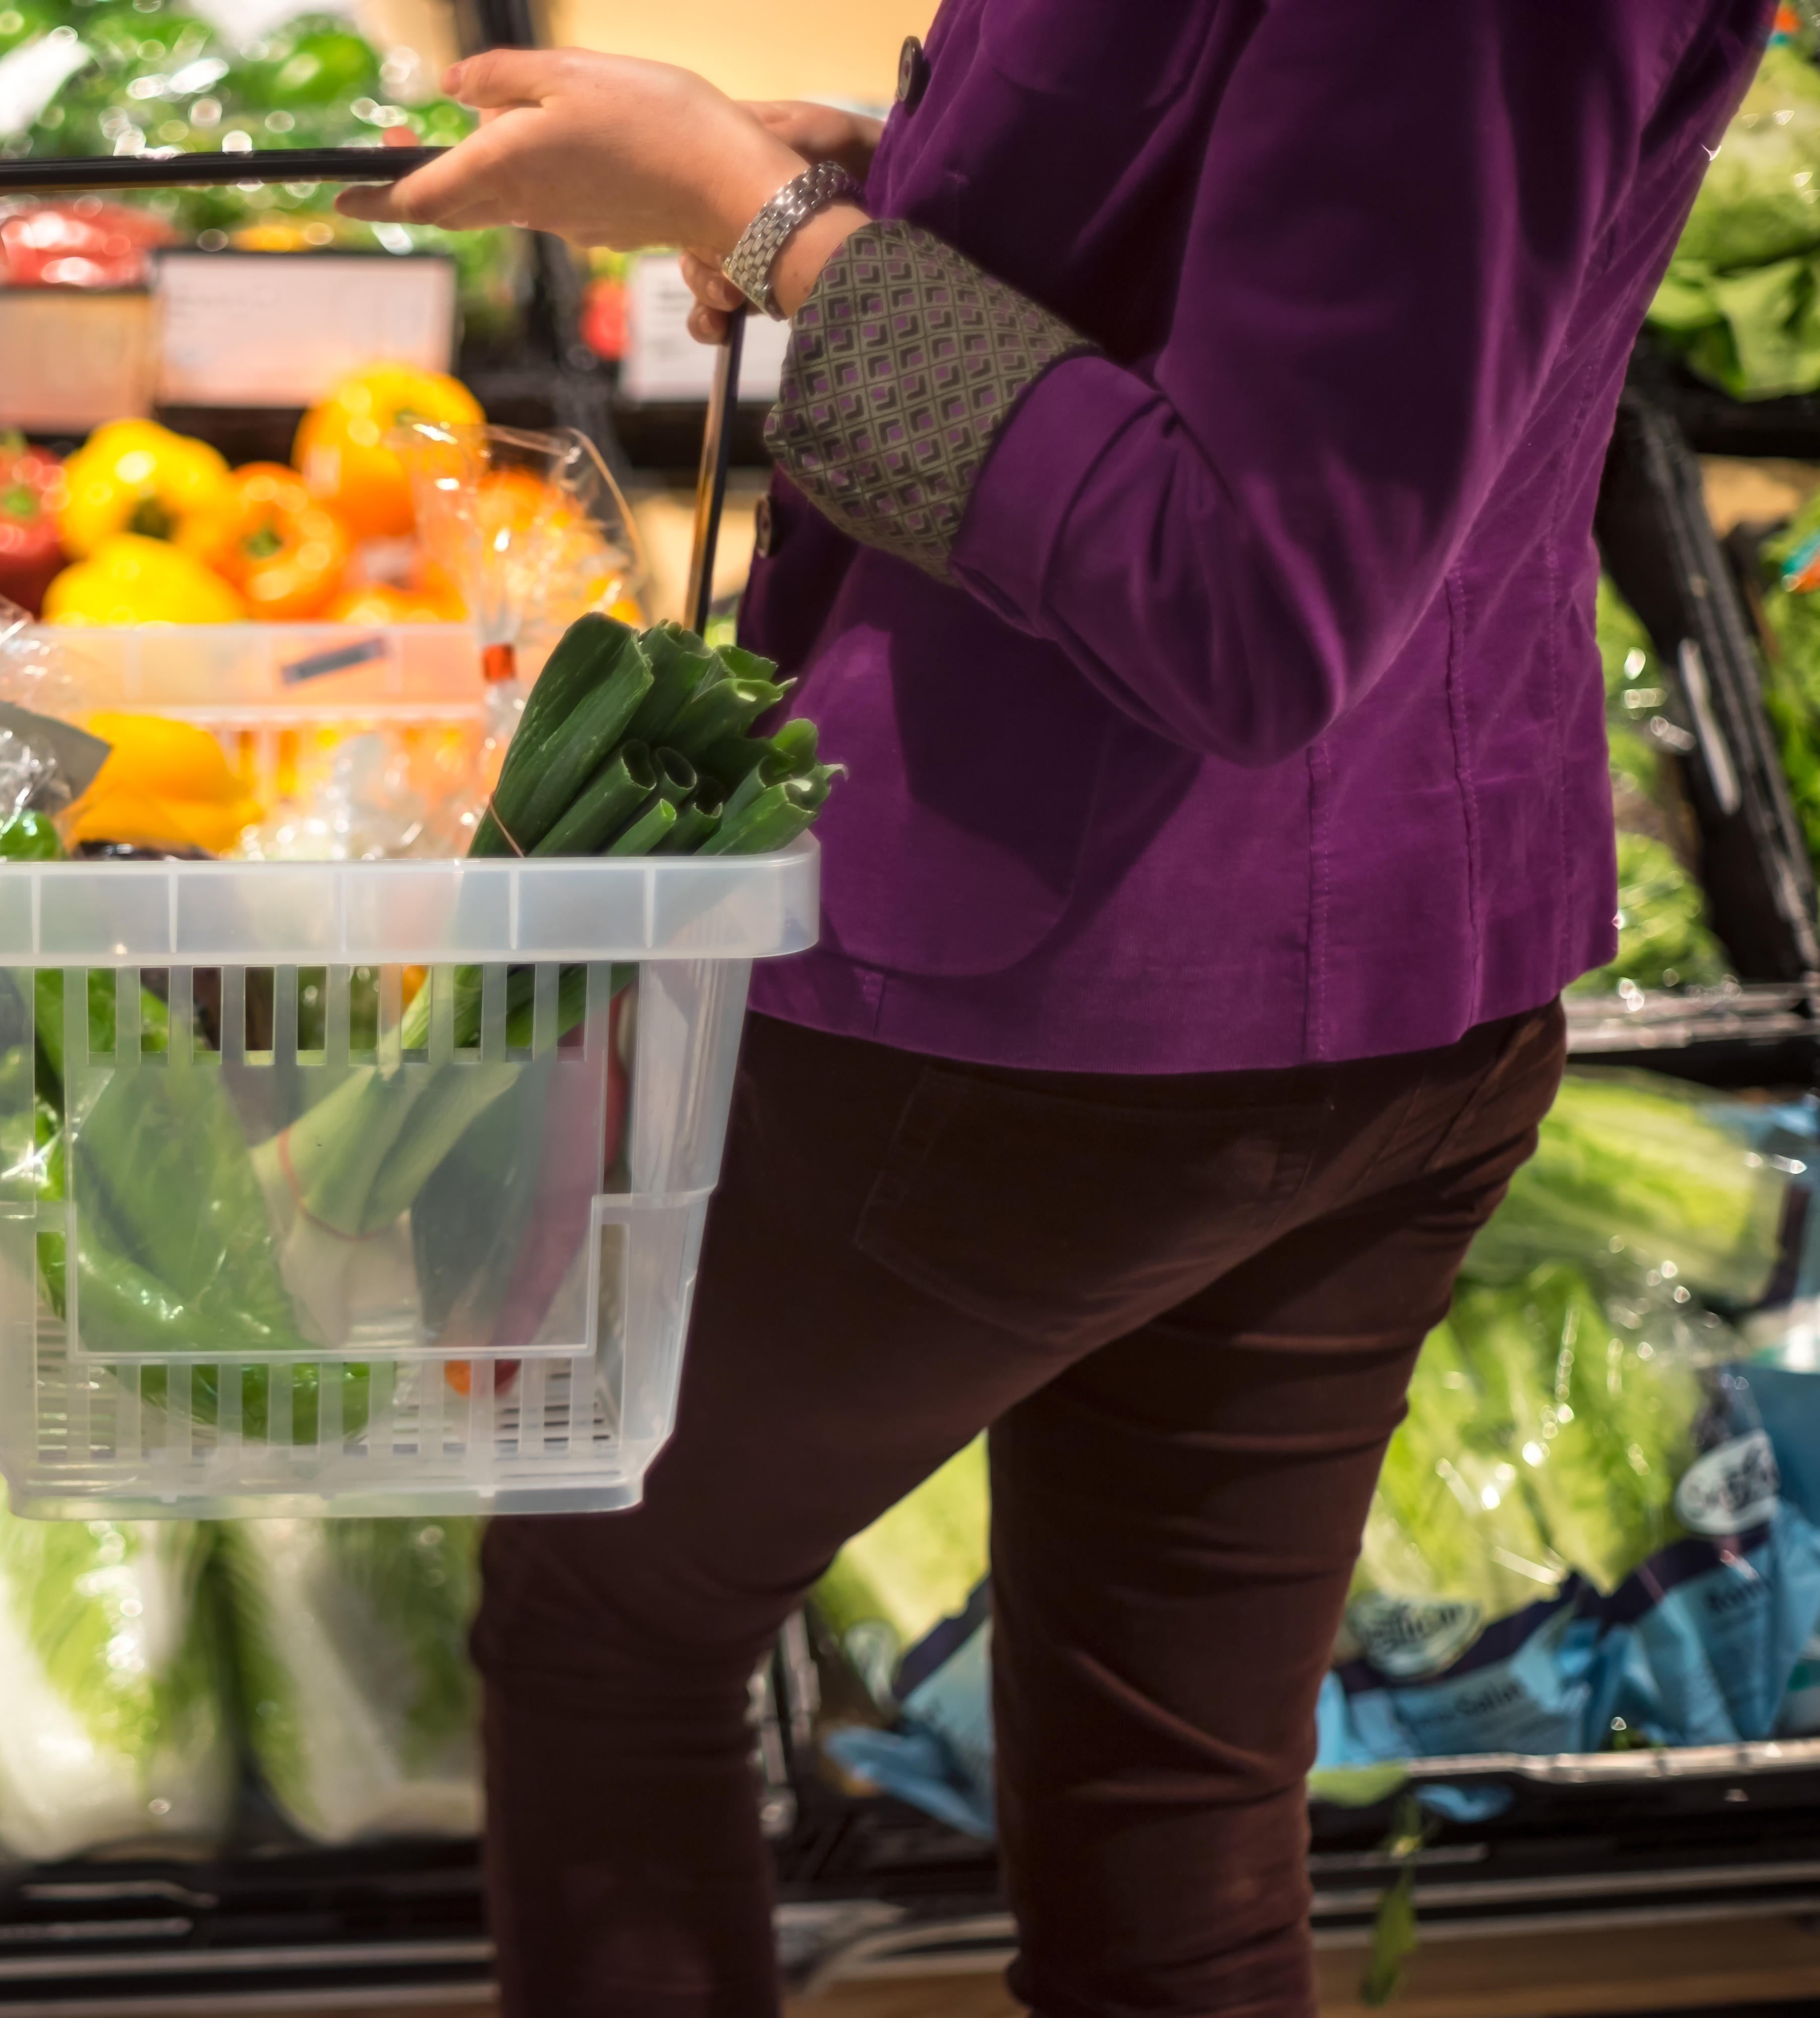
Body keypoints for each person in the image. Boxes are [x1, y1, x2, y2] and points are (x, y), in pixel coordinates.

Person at [336, 7, 1773, 2014]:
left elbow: (1244, 599)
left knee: (613, 1611)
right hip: (1377, 966)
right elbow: (1275, 255)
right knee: (1167, 1813)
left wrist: (771, 237)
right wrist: (896, 193)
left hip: (1065, 991)